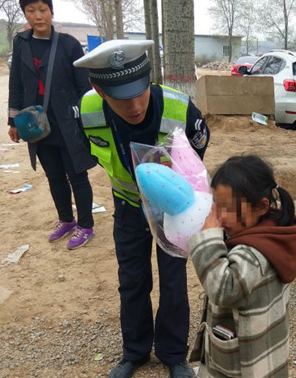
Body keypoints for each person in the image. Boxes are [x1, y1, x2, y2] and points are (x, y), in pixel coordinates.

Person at [73, 39, 210, 378]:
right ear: (99, 89)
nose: (134, 105)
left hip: (172, 212)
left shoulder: (182, 110)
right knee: (132, 280)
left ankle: (174, 354)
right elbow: (92, 153)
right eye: (121, 97)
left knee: (174, 280)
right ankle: (134, 351)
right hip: (128, 207)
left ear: (150, 78)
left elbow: (195, 163)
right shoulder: (87, 112)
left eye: (140, 91)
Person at [187, 154, 296, 378]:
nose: (219, 218)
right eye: (216, 206)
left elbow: (224, 288)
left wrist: (207, 240)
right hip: (263, 351)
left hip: (243, 365)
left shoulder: (254, 253)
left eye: (227, 209)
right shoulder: (273, 233)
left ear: (261, 206)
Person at [7, 0, 97, 250]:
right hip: (36, 123)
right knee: (54, 176)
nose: (38, 16)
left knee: (77, 176)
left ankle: (86, 225)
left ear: (51, 12)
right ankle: (66, 220)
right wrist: (13, 120)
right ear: (25, 14)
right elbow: (15, 83)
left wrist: (85, 121)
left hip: (67, 123)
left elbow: (84, 88)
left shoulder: (68, 45)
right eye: (31, 10)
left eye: (43, 10)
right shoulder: (21, 43)